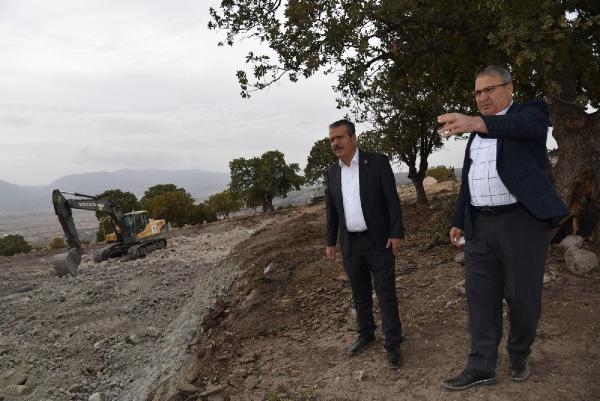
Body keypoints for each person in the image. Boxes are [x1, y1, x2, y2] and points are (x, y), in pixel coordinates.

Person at [437, 65, 569, 390]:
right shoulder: (477, 134)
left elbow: (523, 127)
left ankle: (519, 353)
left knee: (522, 296)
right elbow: (471, 180)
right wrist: (458, 219)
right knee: (480, 297)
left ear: (510, 88)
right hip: (480, 226)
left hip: (521, 222)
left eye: (489, 89)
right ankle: (481, 365)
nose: (482, 97)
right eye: (478, 93)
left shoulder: (530, 112)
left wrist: (475, 122)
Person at [324, 119, 405, 369]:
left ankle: (393, 343)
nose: (335, 143)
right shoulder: (332, 172)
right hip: (350, 243)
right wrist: (330, 241)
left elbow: (391, 200)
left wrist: (396, 233)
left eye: (340, 137)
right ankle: (366, 333)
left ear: (353, 138)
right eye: (332, 139)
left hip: (379, 240)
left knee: (385, 293)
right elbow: (331, 211)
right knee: (359, 293)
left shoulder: (377, 162)